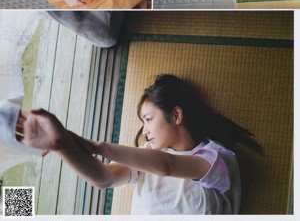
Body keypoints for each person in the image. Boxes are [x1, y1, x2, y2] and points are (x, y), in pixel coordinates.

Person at [18, 74, 262, 215]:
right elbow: (104, 178)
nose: (145, 131)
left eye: (148, 119)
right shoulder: (145, 156)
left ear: (176, 115)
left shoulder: (217, 159)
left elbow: (169, 165)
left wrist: (98, 146)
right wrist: (63, 145)